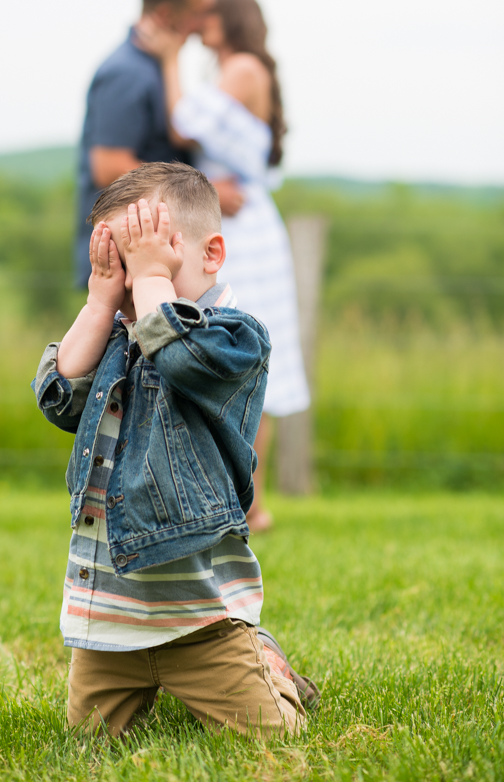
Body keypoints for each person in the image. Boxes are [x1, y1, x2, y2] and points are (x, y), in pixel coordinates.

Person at [34, 162, 319, 737]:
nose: (134, 287)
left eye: (153, 261)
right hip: (109, 619)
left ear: (211, 255)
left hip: (201, 617)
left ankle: (266, 664)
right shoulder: (118, 328)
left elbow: (183, 357)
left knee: (271, 736)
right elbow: (60, 399)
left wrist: (151, 281)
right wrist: (98, 300)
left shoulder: (237, 337)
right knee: (88, 742)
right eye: (122, 263)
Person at [137, 0, 310, 533]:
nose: (199, 25)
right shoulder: (243, 69)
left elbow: (186, 122)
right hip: (225, 215)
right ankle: (241, 500)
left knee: (245, 351)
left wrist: (169, 59)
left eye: (208, 17)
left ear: (229, 21)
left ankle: (248, 502)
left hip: (241, 230)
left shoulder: (242, 67)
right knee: (231, 347)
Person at [76, 0, 245, 287]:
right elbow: (109, 165)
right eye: (198, 13)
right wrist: (206, 193)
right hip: (129, 258)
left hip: (151, 255)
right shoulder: (126, 72)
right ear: (167, 14)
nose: (203, 25)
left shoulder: (155, 68)